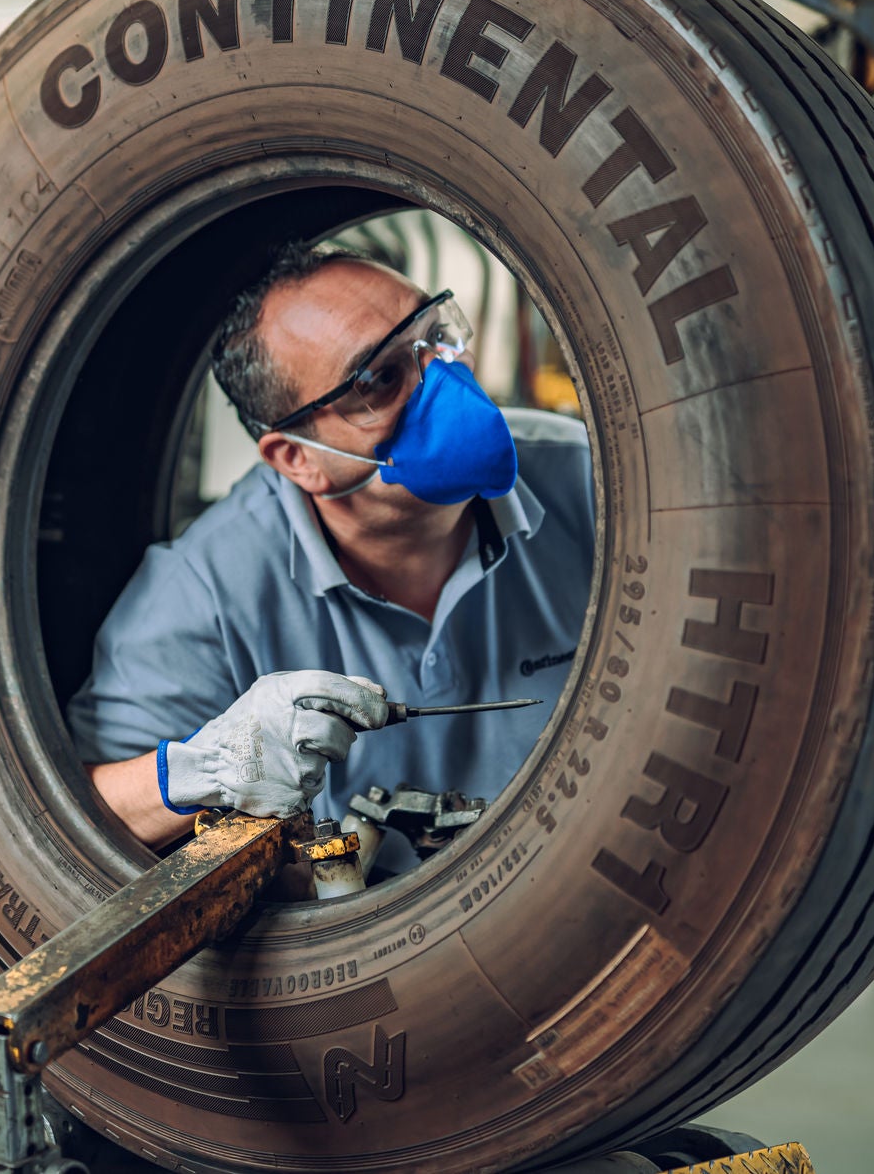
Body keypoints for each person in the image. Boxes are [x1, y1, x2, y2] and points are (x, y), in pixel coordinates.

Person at [67, 243, 597, 872]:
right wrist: (209, 768)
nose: (441, 379)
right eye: (381, 378)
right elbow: (79, 816)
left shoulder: (595, 483)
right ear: (300, 459)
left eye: (438, 338)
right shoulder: (205, 591)